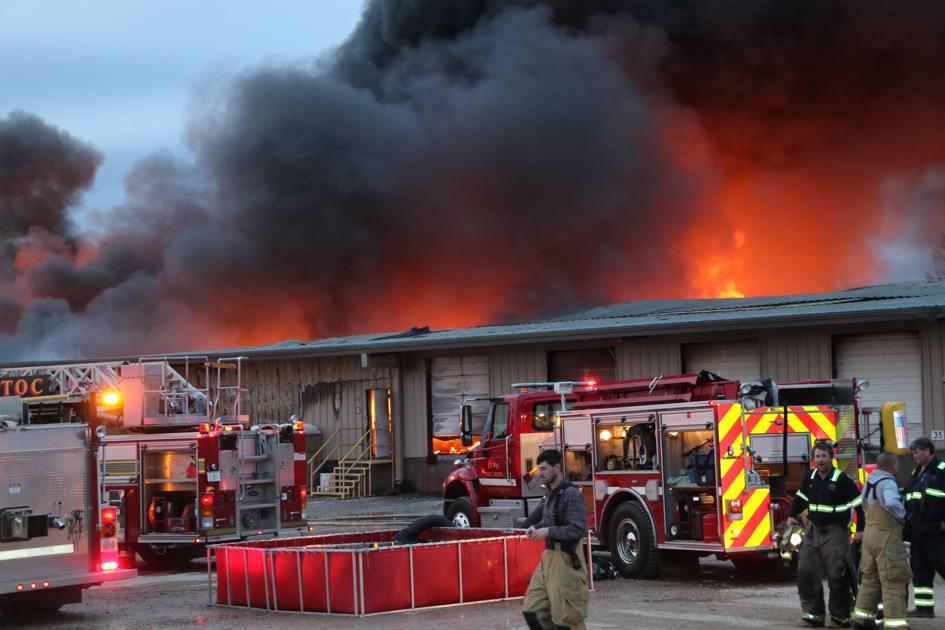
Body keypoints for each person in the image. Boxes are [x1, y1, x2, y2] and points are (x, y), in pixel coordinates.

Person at [788, 440, 865, 628]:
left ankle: (840, 617)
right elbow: (800, 498)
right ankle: (813, 615)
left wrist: (861, 531)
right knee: (806, 572)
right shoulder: (810, 477)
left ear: (831, 458)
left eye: (824, 456)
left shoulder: (842, 480)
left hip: (836, 533)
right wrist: (792, 516)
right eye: (817, 456)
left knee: (837, 576)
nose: (820, 460)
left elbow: (859, 507)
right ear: (813, 459)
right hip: (813, 531)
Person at [521, 448, 589, 630]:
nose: (540, 473)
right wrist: (537, 528)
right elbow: (550, 521)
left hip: (566, 560)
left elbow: (579, 528)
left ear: (557, 467)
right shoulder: (551, 493)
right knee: (533, 610)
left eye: (544, 469)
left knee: (567, 619)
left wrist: (548, 531)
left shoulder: (570, 494)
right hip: (549, 558)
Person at [851, 452, 911, 630]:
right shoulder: (888, 483)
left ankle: (862, 620)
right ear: (893, 465)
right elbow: (892, 503)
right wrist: (903, 516)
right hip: (886, 536)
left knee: (870, 578)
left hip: (870, 535)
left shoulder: (869, 482)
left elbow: (863, 506)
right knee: (893, 580)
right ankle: (895, 624)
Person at [904, 437, 945, 618]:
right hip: (918, 532)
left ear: (929, 451)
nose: (915, 455)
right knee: (920, 570)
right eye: (913, 452)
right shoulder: (916, 472)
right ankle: (924, 608)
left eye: (918, 451)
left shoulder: (941, 470)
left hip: (937, 531)